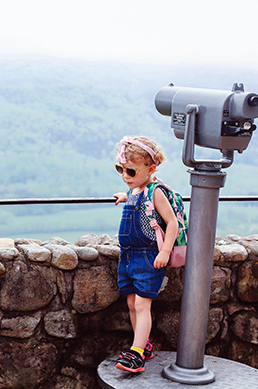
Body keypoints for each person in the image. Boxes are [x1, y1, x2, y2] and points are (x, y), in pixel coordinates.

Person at [112, 136, 178, 373]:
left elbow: (171, 223)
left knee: (142, 304)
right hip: (128, 256)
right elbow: (136, 198)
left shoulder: (155, 192)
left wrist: (165, 252)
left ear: (151, 169)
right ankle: (144, 345)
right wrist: (125, 196)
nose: (125, 176)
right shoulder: (135, 189)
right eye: (120, 169)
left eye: (131, 171)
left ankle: (136, 352)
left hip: (148, 256)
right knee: (131, 303)